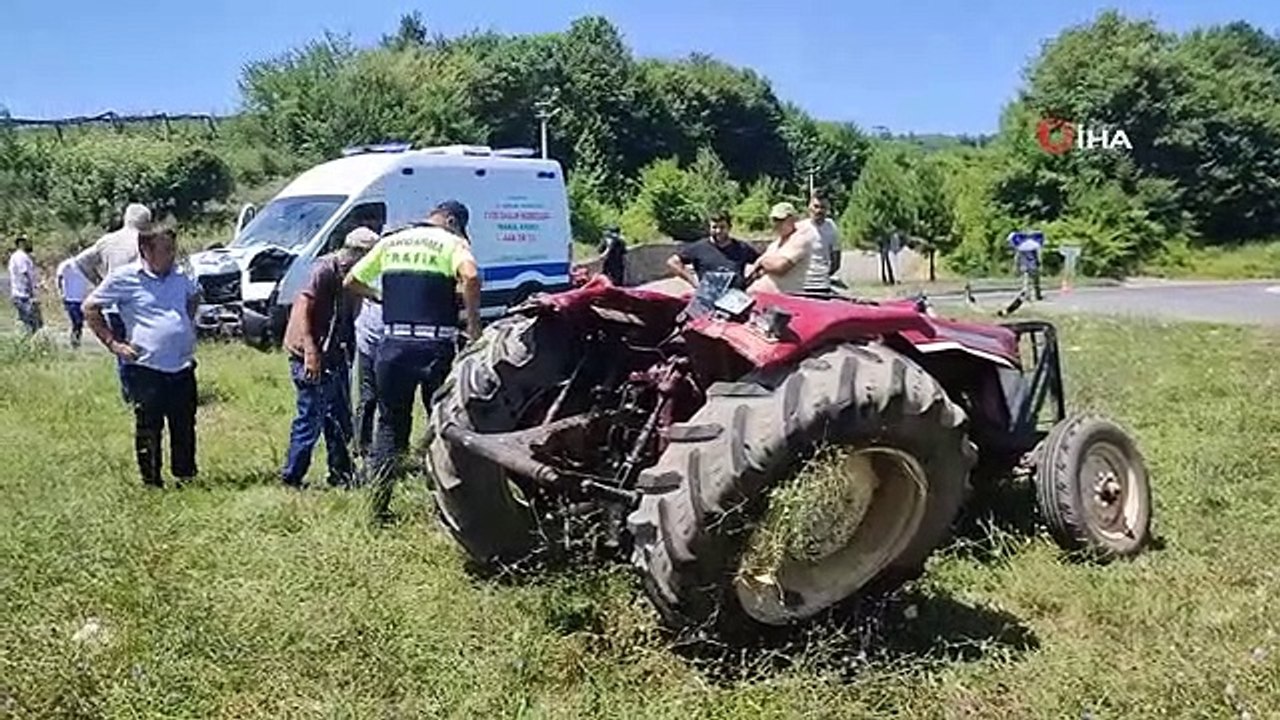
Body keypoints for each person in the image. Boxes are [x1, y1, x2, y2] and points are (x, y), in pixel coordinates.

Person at [345, 200, 482, 519]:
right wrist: (474, 325)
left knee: (390, 426)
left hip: (392, 347)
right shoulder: (452, 242)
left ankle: (376, 509)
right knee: (443, 426)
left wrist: (381, 297)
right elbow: (471, 276)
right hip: (435, 347)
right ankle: (445, 510)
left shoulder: (390, 241)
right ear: (451, 220)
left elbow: (350, 281)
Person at [83, 227, 202, 489]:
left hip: (181, 365)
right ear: (145, 250)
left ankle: (185, 475)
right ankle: (152, 481)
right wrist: (113, 343)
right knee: (149, 426)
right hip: (146, 367)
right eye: (166, 250)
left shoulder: (180, 276)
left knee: (184, 423)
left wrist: (184, 323)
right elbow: (90, 307)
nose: (172, 255)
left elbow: (194, 296)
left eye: (173, 249)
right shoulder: (125, 278)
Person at [279, 227, 379, 489]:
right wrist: (312, 353)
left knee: (339, 417)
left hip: (335, 353)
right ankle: (292, 477)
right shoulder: (324, 270)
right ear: (358, 254)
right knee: (311, 416)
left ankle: (341, 474)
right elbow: (304, 310)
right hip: (309, 354)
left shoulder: (354, 276)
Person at [75, 203, 152, 398]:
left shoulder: (107, 241)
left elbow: (81, 261)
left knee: (121, 350)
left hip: (112, 306)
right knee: (145, 349)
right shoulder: (144, 240)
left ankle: (129, 394)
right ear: (146, 221)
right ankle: (146, 392)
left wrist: (99, 283)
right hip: (138, 306)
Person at [665, 211, 760, 289]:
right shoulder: (699, 248)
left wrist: (748, 281)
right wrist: (693, 282)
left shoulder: (742, 248)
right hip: (708, 298)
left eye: (722, 227)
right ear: (709, 228)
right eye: (714, 227)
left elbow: (761, 264)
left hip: (735, 298)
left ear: (729, 227)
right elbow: (673, 262)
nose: (718, 231)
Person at [746, 202, 820, 295]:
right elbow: (757, 271)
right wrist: (764, 266)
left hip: (783, 301)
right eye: (774, 220)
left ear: (793, 219)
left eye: (781, 220)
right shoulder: (775, 244)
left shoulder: (801, 239)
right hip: (758, 297)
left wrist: (762, 262)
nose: (777, 224)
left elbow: (780, 267)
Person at [353, 297, 384, 459]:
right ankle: (361, 448)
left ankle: (386, 450)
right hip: (369, 341)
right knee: (368, 396)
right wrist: (375, 294)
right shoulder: (370, 272)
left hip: (393, 344)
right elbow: (351, 282)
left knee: (391, 401)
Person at [797, 195, 838, 293]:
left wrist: (825, 274)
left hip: (823, 285)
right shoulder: (799, 228)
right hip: (802, 285)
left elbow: (836, 258)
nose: (819, 210)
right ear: (809, 207)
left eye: (823, 207)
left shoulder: (831, 227)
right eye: (816, 206)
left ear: (827, 209)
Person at [8, 236, 42, 335]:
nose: (30, 244)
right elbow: (25, 274)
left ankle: (24, 344)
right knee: (32, 323)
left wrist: (38, 285)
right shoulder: (20, 256)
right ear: (20, 243)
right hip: (23, 295)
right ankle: (28, 346)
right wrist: (31, 294)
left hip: (23, 295)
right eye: (27, 242)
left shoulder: (23, 256)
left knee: (26, 322)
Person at [56, 254, 92, 347]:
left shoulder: (85, 265)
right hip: (70, 298)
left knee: (80, 323)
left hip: (82, 299)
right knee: (77, 322)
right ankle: (74, 342)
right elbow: (59, 277)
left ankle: (76, 342)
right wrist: (61, 293)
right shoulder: (67, 264)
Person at [1010, 230, 1044, 301]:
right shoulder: (1035, 245)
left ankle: (1026, 295)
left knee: (1025, 282)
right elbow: (1038, 257)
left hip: (1024, 266)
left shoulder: (1021, 246)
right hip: (1033, 266)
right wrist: (1040, 264)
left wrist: (1016, 265)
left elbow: (1017, 257)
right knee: (1035, 281)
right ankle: (1037, 295)